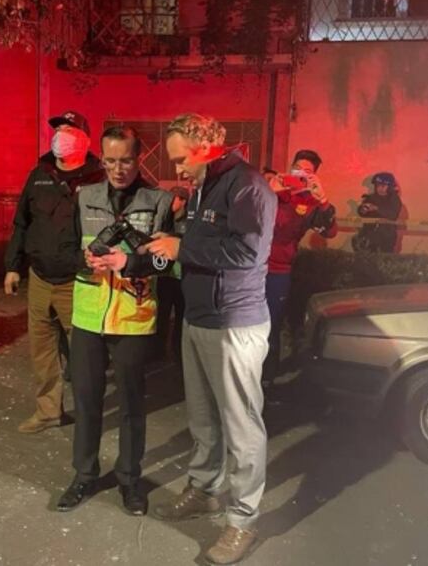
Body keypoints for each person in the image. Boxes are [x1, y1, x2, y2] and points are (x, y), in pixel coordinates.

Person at [147, 113, 277, 565]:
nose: (177, 169)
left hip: (233, 323)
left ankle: (242, 521)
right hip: (199, 317)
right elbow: (208, 240)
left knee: (241, 428)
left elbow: (247, 252)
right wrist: (173, 240)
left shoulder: (248, 186)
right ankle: (205, 490)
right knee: (203, 419)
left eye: (181, 159)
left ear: (205, 148)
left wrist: (181, 248)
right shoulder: (206, 184)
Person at [56, 126, 174, 516]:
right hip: (89, 316)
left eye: (125, 160)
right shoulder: (84, 196)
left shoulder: (159, 201)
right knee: (86, 401)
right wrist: (84, 259)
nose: (118, 169)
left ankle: (129, 479)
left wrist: (130, 262)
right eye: (110, 161)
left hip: (134, 318)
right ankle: (84, 475)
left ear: (139, 158)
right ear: (101, 159)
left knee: (131, 406)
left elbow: (168, 263)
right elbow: (64, 251)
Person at [3, 110, 104, 434]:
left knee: (84, 355)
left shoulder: (98, 179)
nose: (60, 135)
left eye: (69, 130)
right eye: (58, 129)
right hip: (40, 278)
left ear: (85, 139)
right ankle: (48, 412)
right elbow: (22, 222)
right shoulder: (39, 175)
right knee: (42, 350)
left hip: (78, 280)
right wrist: (12, 267)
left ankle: (89, 416)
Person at [262, 150, 337, 388]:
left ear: (314, 176)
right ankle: (242, 372)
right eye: (297, 168)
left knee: (270, 325)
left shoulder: (310, 202)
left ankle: (266, 378)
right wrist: (269, 193)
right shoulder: (272, 190)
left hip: (278, 272)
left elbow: (330, 231)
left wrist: (323, 200)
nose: (300, 174)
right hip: (250, 268)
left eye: (307, 172)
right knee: (244, 323)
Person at [155, 185, 189, 362]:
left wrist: (170, 236)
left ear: (182, 201)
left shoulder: (189, 220)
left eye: (173, 199)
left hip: (182, 277)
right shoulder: (165, 219)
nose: (169, 202)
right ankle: (158, 350)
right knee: (162, 314)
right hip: (165, 275)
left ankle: (178, 350)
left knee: (181, 316)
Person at [353, 171, 402, 254]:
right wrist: (363, 209)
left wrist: (376, 208)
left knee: (385, 258)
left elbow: (393, 215)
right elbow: (362, 213)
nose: (380, 188)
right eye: (378, 185)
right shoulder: (371, 198)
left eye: (383, 186)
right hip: (369, 234)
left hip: (387, 236)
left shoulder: (394, 199)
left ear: (389, 187)